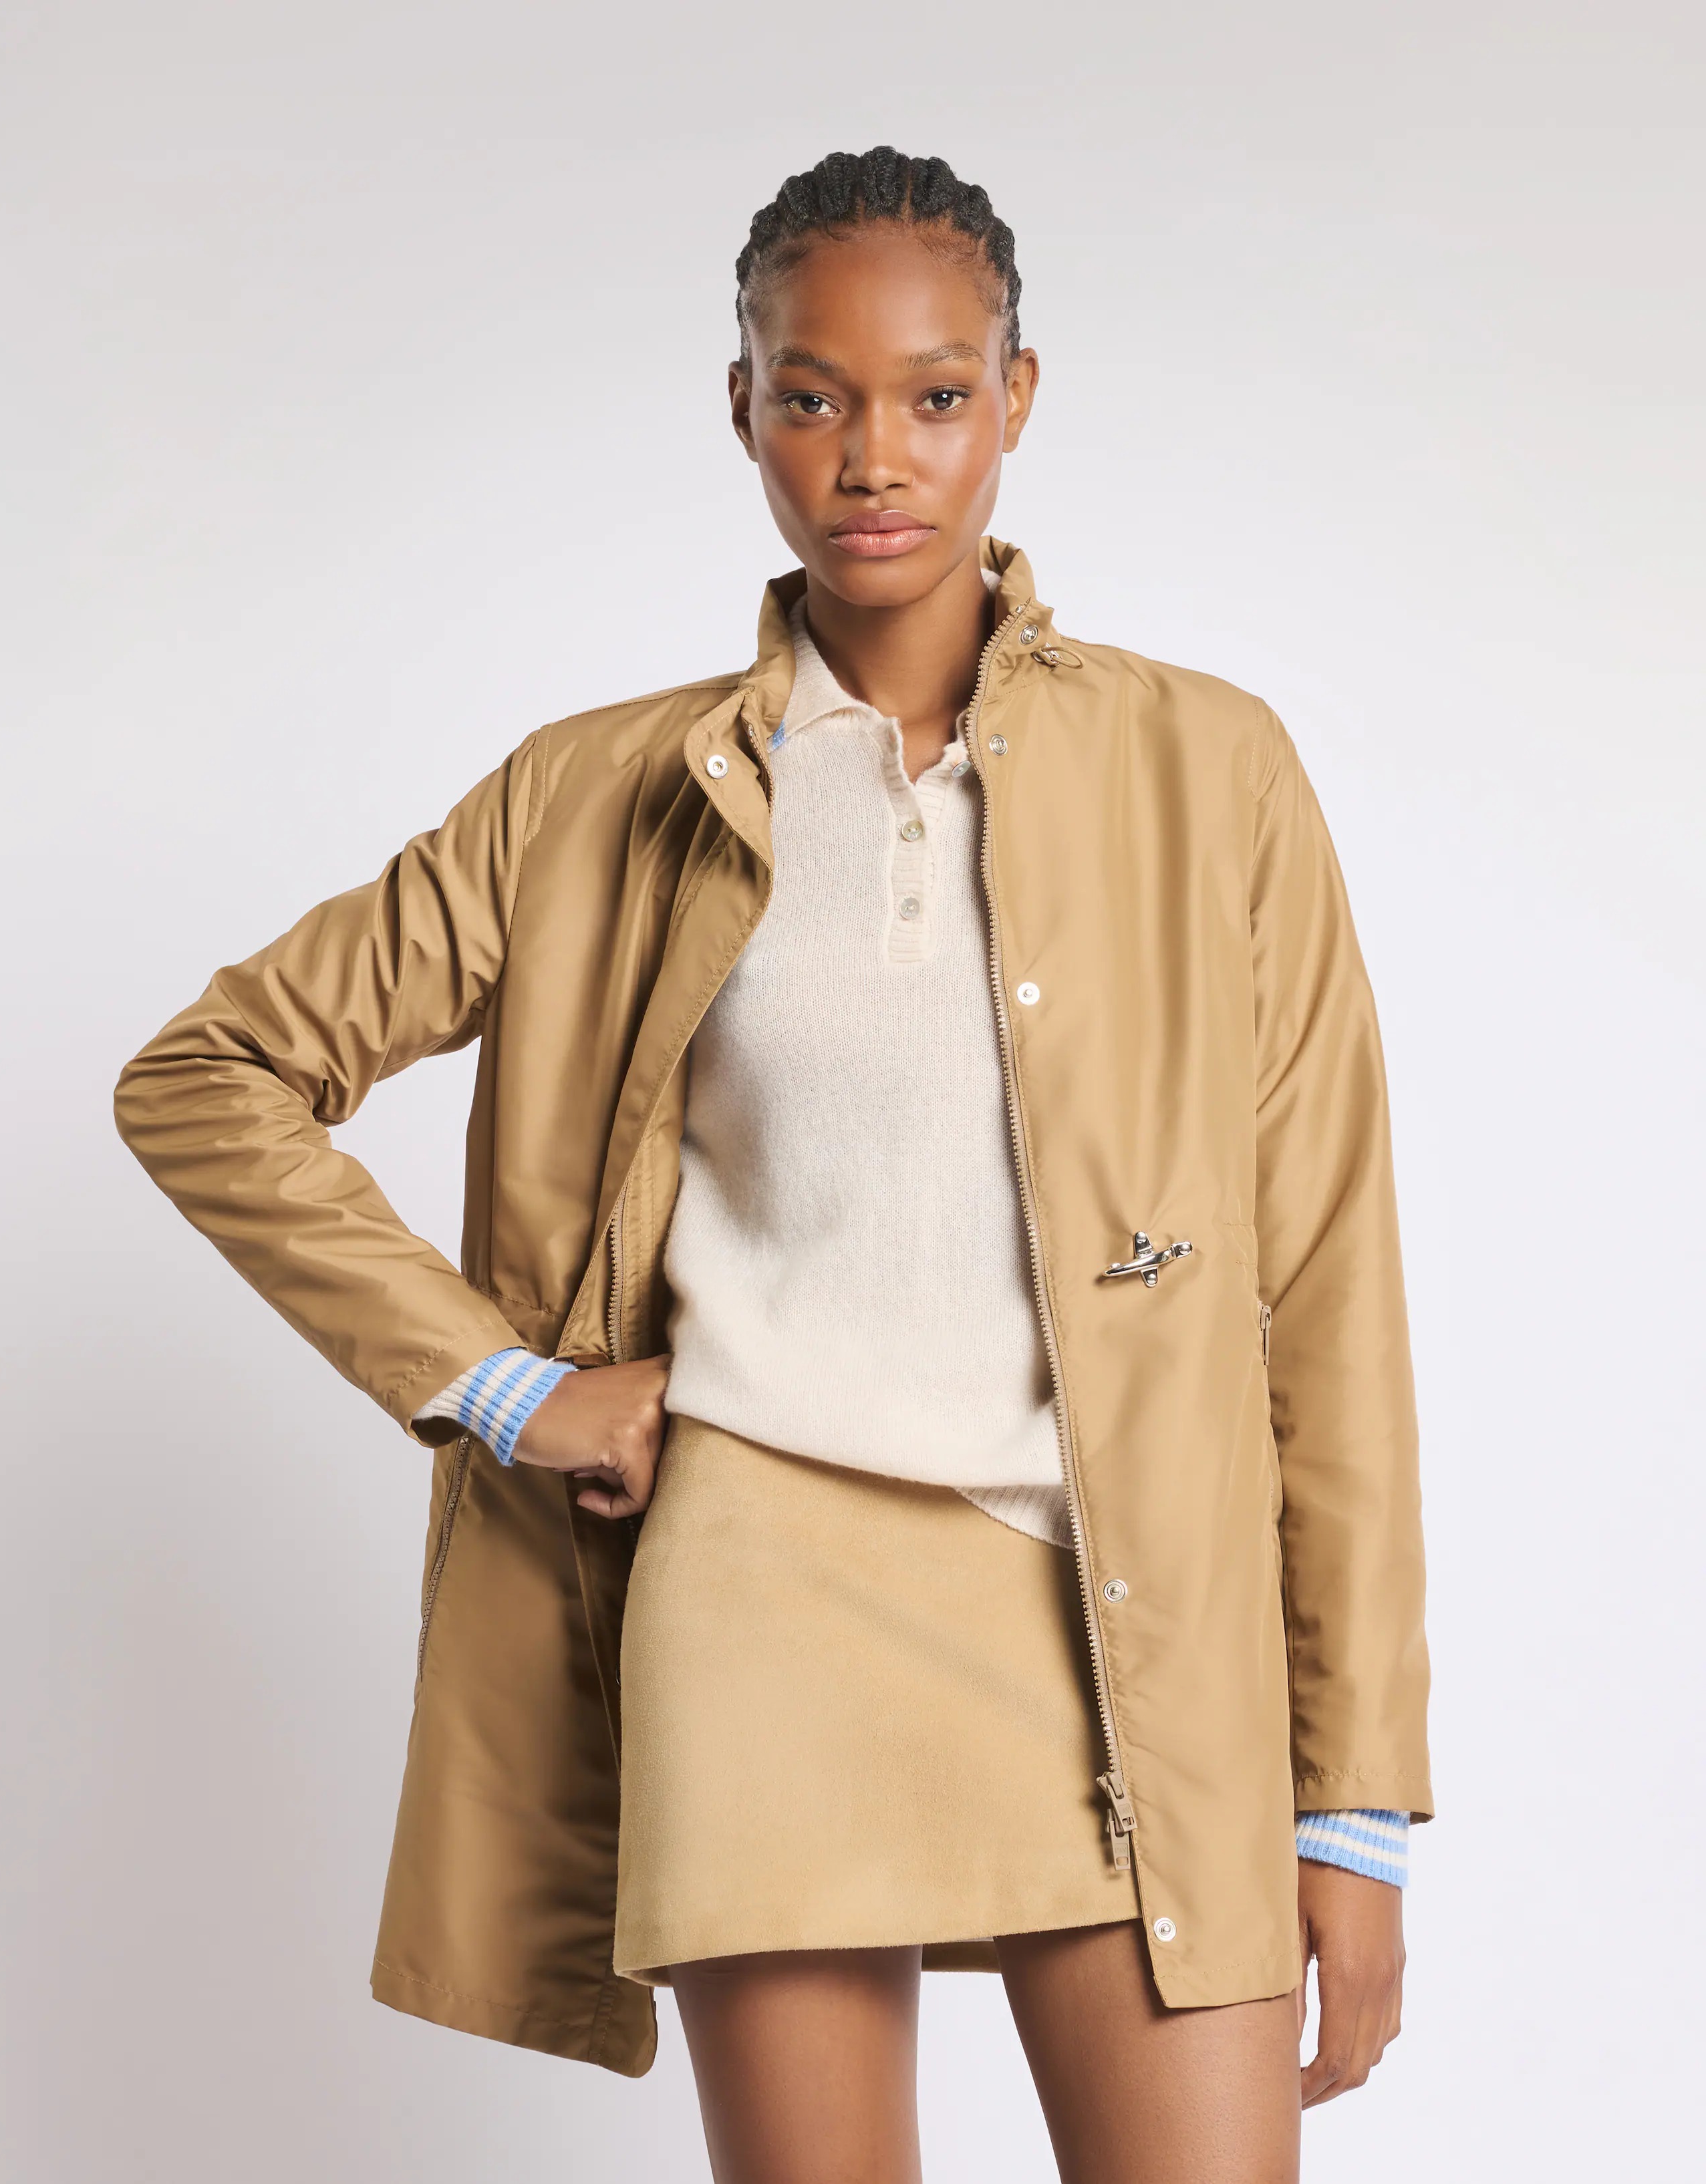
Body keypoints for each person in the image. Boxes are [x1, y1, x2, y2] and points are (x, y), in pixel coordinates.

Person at [114, 147, 1431, 2184]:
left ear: (1016, 398)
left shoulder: (1210, 764)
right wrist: (507, 1390)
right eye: (812, 397)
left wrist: (1355, 1806)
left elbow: (1327, 1284)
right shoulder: (596, 793)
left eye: (935, 394)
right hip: (761, 1612)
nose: (872, 458)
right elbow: (212, 1075)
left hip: (1133, 1625)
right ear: (744, 409)